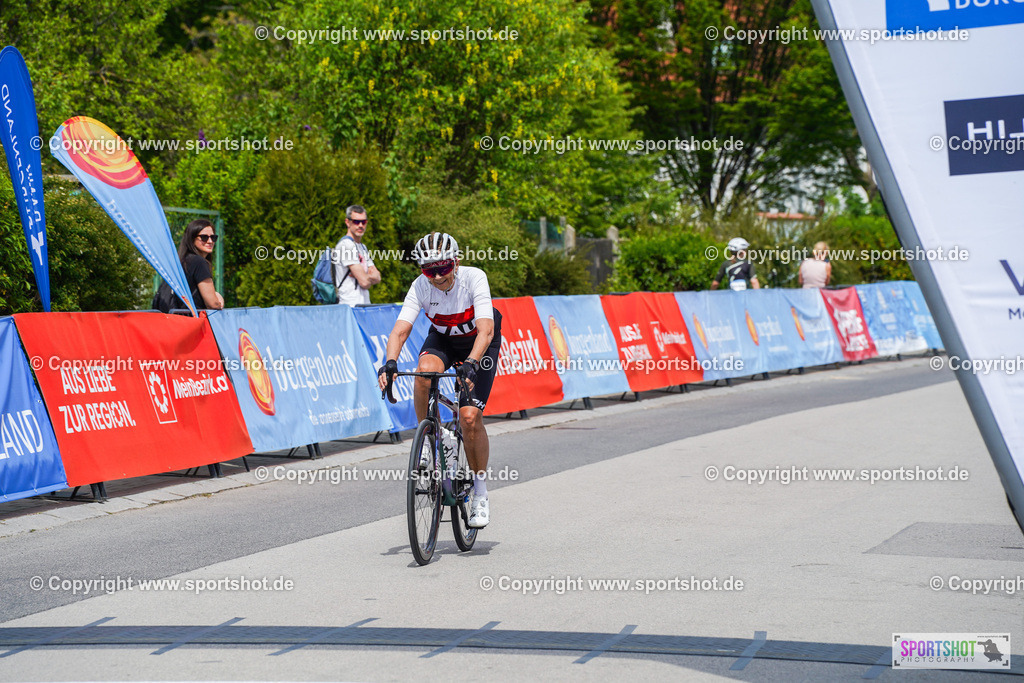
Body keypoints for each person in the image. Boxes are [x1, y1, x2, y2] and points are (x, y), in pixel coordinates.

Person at [377, 232, 502, 528]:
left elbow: (486, 330)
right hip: (445, 340)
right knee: (423, 374)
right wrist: (390, 363)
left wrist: (472, 363)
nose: (436, 276)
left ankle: (480, 495)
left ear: (456, 262)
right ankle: (427, 442)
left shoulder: (474, 277)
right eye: (428, 270)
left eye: (443, 268)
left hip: (479, 344)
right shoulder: (421, 285)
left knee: (470, 417)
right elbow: (399, 331)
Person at [155, 218, 224, 312]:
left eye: (213, 237)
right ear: (192, 239)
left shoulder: (181, 261)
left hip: (175, 319)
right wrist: (219, 298)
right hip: (193, 321)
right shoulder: (199, 262)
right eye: (204, 237)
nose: (210, 241)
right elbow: (212, 304)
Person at [334, 205, 381, 306]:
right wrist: (368, 277)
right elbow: (364, 282)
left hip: (364, 305)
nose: (360, 225)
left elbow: (378, 277)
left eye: (363, 222)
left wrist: (365, 276)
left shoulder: (362, 247)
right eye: (356, 221)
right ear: (347, 222)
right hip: (349, 306)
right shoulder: (346, 245)